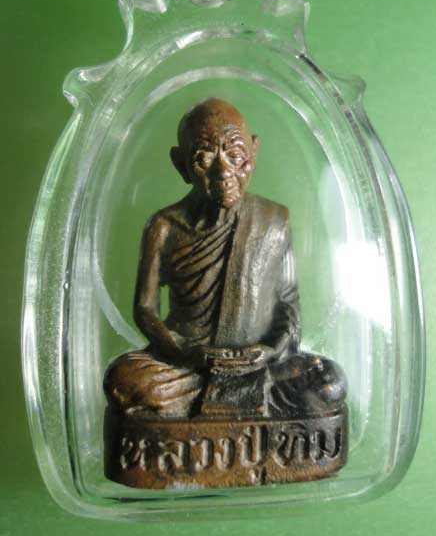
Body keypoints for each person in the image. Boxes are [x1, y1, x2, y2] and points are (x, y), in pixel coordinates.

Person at [104, 98, 346, 419]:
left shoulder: (274, 220)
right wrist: (185, 352)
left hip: (259, 366)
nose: (223, 173)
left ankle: (223, 406)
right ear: (181, 164)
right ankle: (227, 406)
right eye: (204, 158)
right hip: (190, 367)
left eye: (235, 155)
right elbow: (145, 309)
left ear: (253, 153)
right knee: (124, 383)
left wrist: (270, 351)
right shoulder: (164, 227)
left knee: (327, 384)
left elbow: (288, 304)